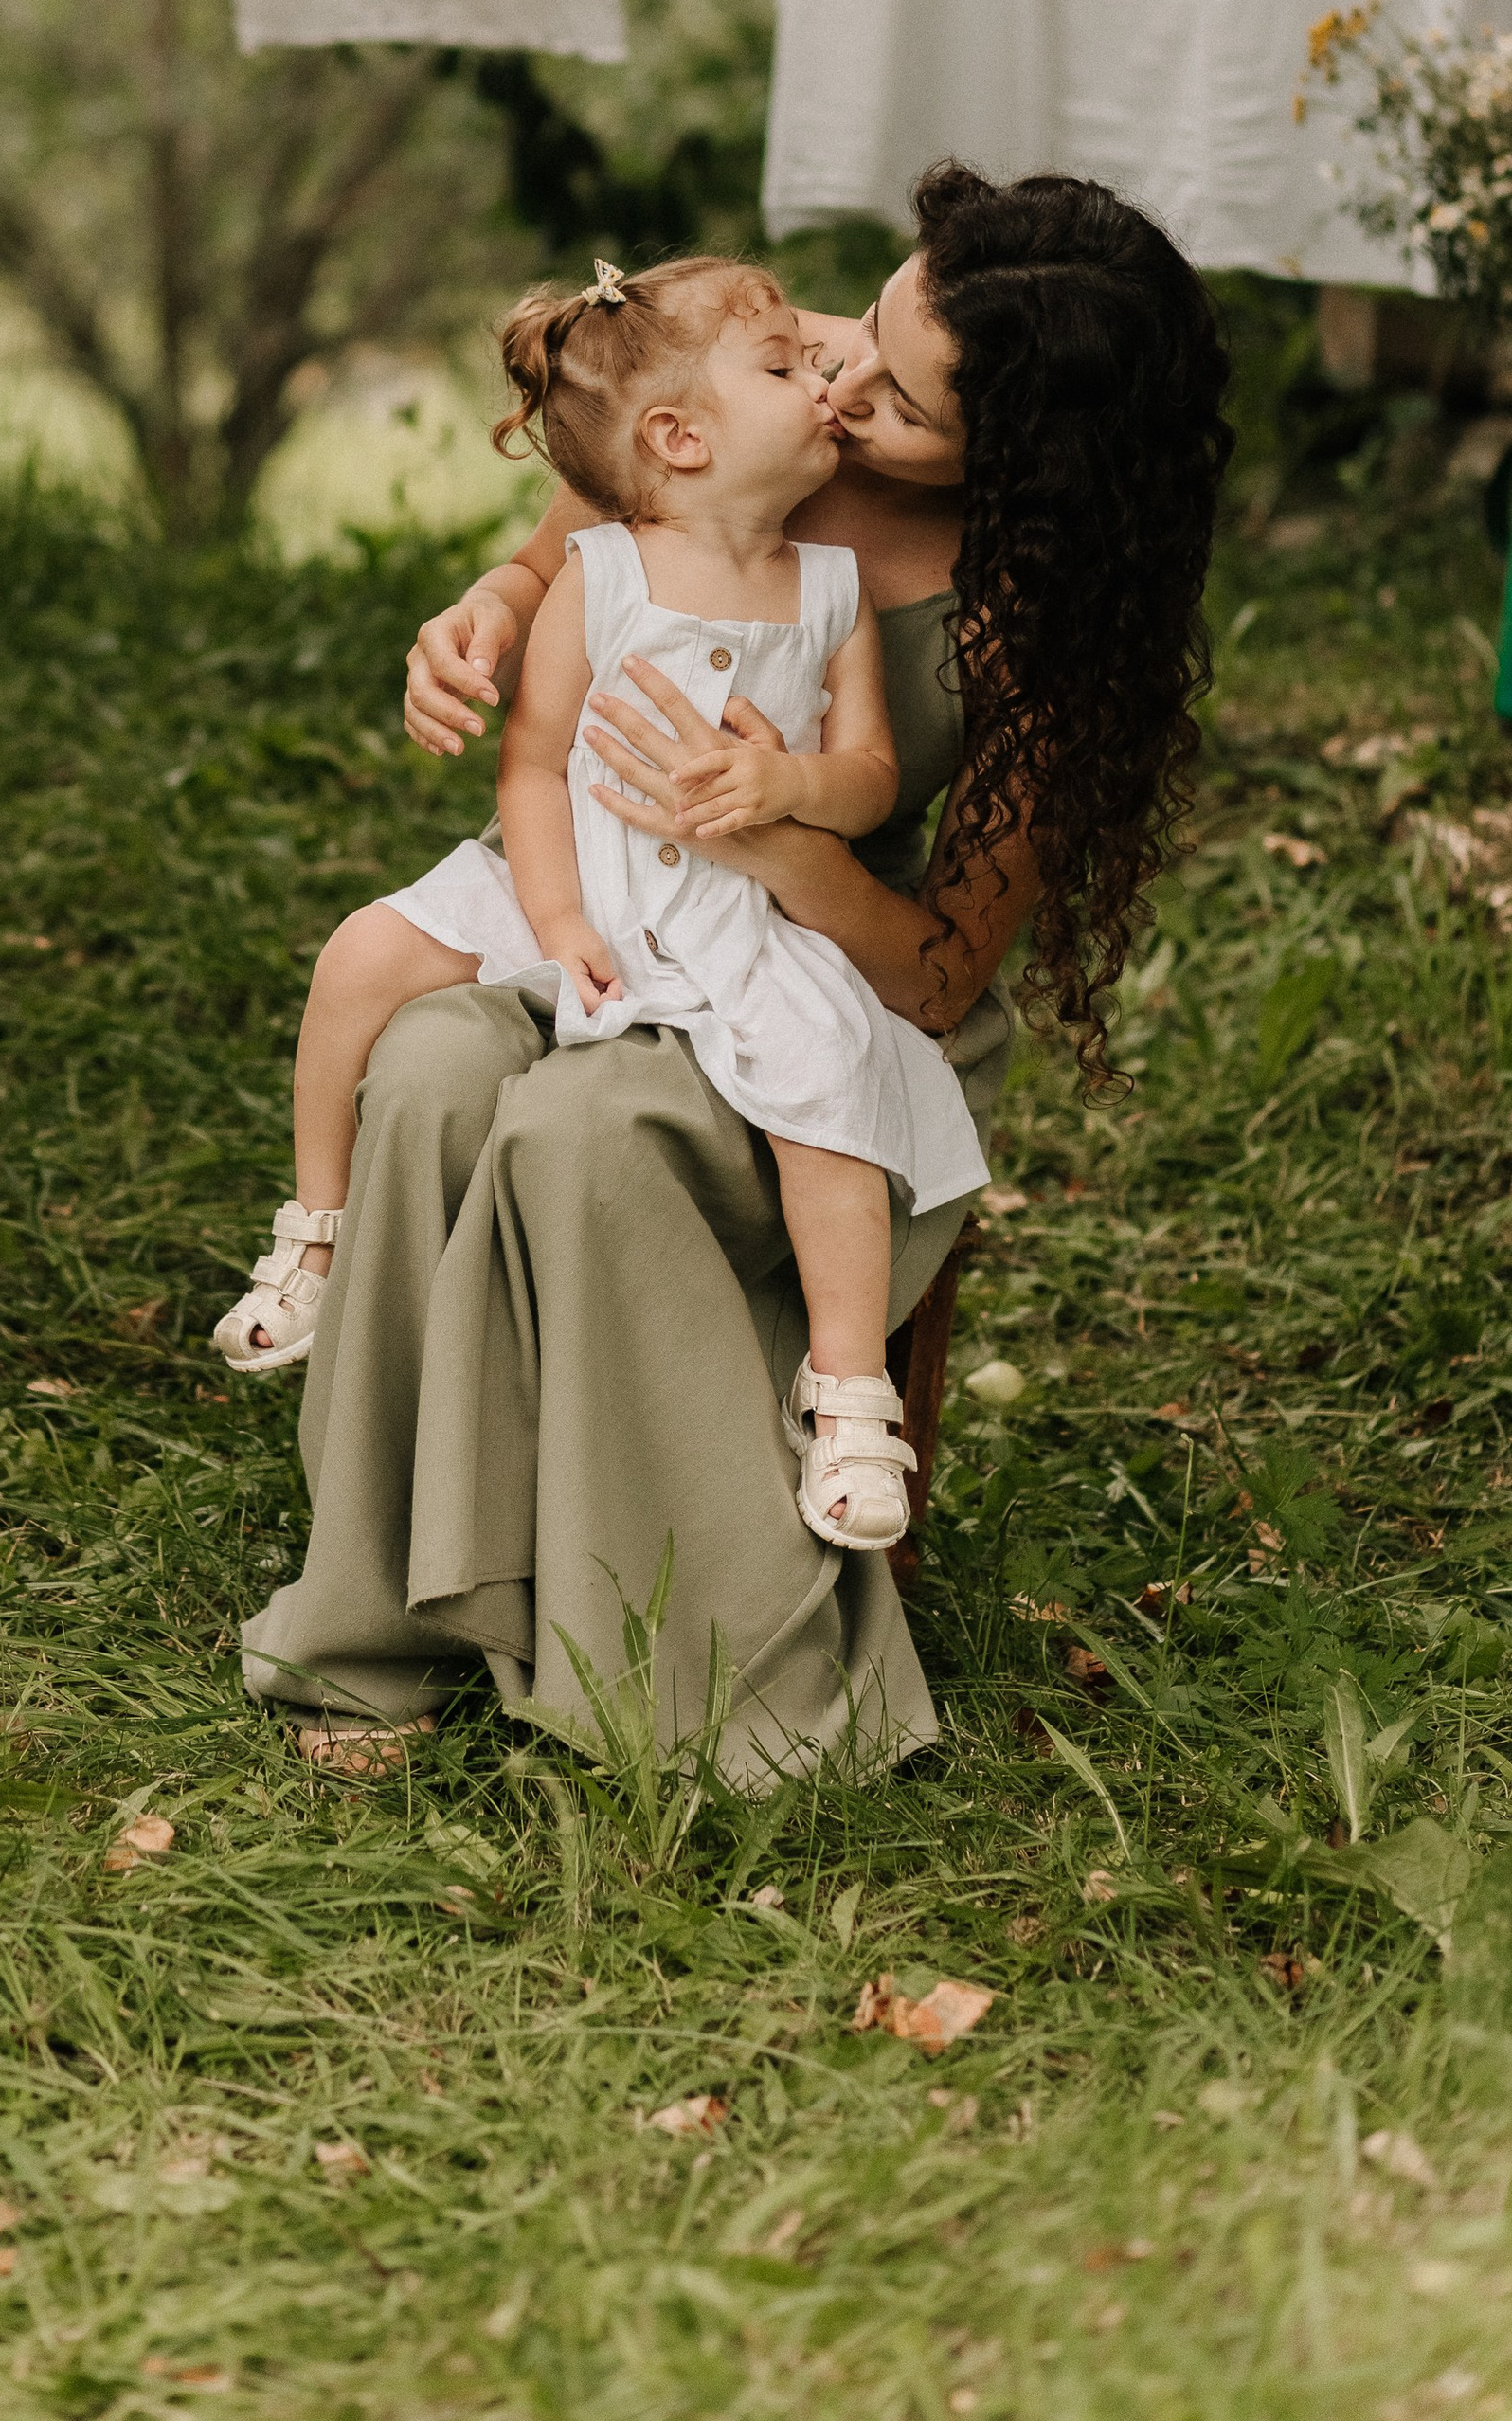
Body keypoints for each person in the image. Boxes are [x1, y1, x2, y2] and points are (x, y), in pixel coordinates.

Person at [240, 163, 1232, 1785]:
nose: (843, 382)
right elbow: (582, 533)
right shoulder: (790, 377)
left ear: (1022, 467)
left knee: (584, 1134)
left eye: (902, 399)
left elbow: (931, 975)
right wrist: (487, 609)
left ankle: (719, 1687)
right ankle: (391, 1620)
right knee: (426, 1063)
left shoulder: (1033, 622)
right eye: (867, 327)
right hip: (624, 921)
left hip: (837, 1014)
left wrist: (784, 836)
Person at [212, 252, 983, 1550]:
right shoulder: (609, 569)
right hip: (583, 878)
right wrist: (559, 922)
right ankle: (316, 1235)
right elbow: (534, 759)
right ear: (679, 439)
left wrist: (787, 784)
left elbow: (869, 779)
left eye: (872, 390)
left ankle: (849, 1398)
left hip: (750, 914)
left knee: (833, 1083)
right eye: (799, 363)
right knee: (362, 955)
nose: (832, 386)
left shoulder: (834, 593)